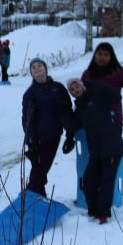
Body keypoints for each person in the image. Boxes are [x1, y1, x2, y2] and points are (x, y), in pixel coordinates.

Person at [68, 78, 123, 223]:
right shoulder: (79, 110)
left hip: (112, 147)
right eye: (72, 89)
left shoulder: (98, 97)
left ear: (83, 86)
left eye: (77, 86)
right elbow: (72, 125)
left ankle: (103, 214)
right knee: (88, 180)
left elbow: (116, 97)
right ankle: (93, 211)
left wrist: (96, 84)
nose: (75, 90)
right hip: (96, 152)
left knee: (106, 181)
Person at [21, 58, 75, 197]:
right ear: (31, 73)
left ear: (45, 68)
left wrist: (70, 134)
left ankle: (35, 196)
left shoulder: (58, 88)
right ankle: (33, 197)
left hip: (55, 135)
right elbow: (27, 121)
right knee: (39, 170)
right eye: (33, 67)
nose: (37, 68)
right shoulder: (30, 94)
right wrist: (31, 142)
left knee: (42, 170)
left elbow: (66, 111)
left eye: (40, 65)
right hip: (39, 139)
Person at [80, 41, 123, 127]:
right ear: (95, 55)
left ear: (111, 57)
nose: (102, 57)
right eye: (99, 54)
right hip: (90, 119)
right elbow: (79, 95)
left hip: (112, 120)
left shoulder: (117, 74)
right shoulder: (87, 74)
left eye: (106, 55)